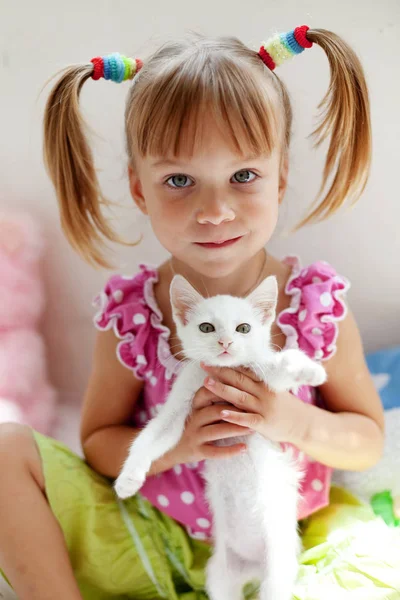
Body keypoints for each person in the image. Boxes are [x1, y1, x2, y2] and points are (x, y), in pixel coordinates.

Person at [0, 26, 385, 600]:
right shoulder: (135, 313)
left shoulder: (313, 305)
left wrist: (289, 421)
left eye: (243, 176)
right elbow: (101, 445)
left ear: (279, 178)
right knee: (6, 449)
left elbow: (366, 439)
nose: (214, 210)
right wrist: (177, 447)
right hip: (150, 536)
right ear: (139, 189)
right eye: (179, 180)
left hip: (278, 543)